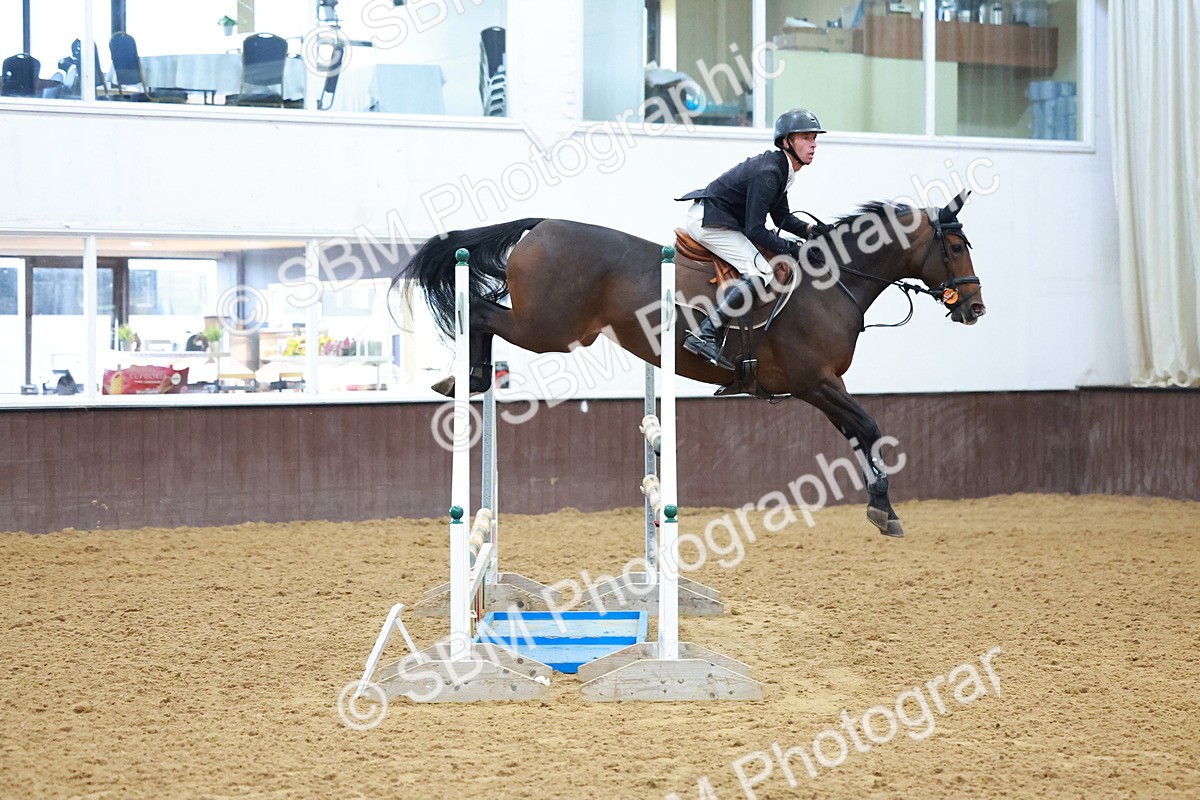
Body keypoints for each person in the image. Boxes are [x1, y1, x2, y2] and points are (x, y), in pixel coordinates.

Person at [676, 108, 831, 369]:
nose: (813, 144)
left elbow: (782, 219)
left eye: (815, 138)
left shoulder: (781, 170)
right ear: (786, 142)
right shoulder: (769, 173)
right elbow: (755, 230)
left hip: (720, 218)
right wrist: (795, 250)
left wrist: (812, 230)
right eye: (806, 137)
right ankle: (705, 333)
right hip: (710, 222)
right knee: (760, 273)